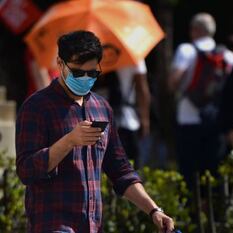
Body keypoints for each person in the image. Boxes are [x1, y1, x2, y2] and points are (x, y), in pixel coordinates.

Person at [15, 30, 174, 233]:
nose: (85, 79)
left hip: (91, 226)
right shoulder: (36, 107)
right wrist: (68, 141)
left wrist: (154, 211)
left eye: (92, 73)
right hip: (52, 224)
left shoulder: (101, 107)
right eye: (77, 73)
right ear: (60, 63)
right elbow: (25, 170)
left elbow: (121, 170)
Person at [168, 12, 233, 188]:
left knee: (189, 174)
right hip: (216, 121)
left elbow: (174, 81)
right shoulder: (229, 56)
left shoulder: (186, 50)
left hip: (188, 120)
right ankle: (215, 212)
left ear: (195, 30)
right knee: (214, 173)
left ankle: (191, 213)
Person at [93, 61, 151, 169]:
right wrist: (145, 120)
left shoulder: (93, 55)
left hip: (98, 122)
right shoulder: (133, 54)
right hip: (128, 121)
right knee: (129, 172)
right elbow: (142, 88)